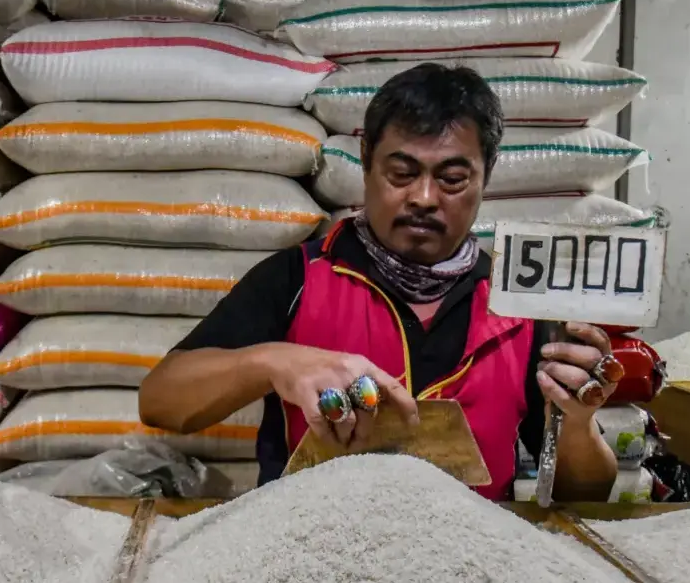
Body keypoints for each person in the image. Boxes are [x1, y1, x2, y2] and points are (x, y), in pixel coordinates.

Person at [139, 63, 619, 501]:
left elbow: (589, 491)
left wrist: (577, 424)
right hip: (307, 545)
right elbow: (161, 401)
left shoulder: (520, 307)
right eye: (402, 173)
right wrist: (271, 361)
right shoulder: (298, 279)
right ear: (367, 162)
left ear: (485, 177)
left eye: (452, 179)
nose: (424, 197)